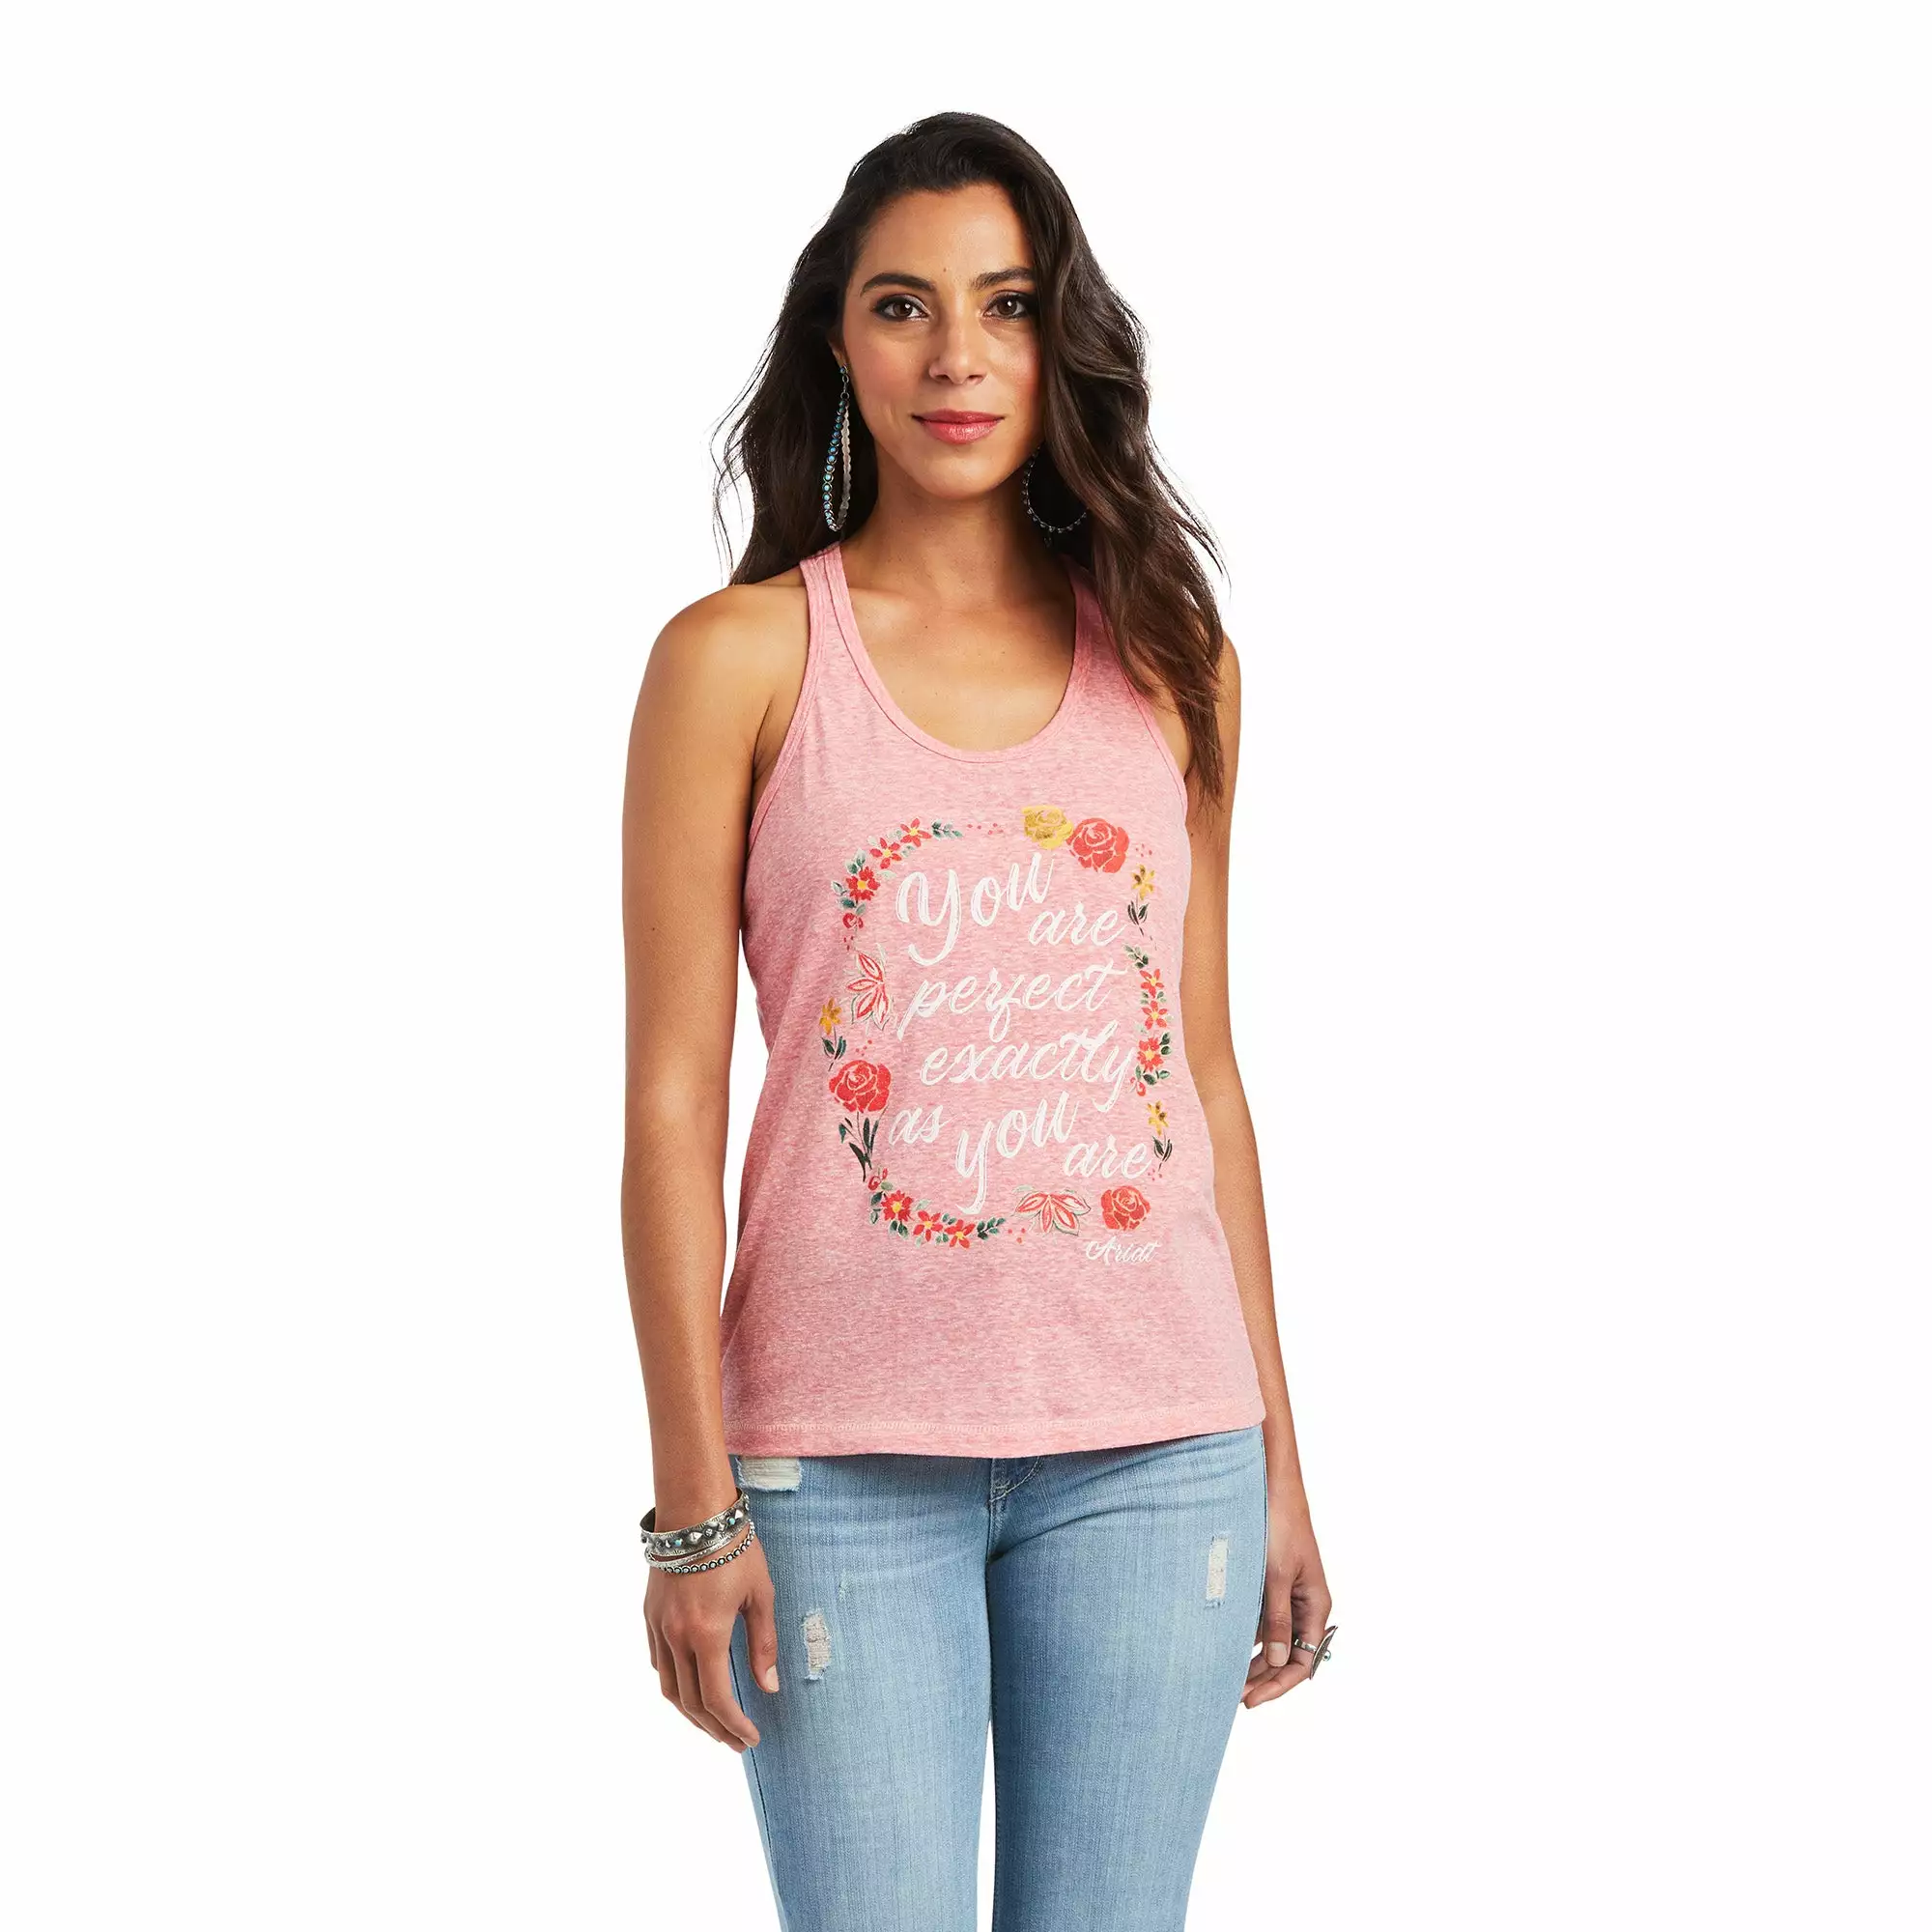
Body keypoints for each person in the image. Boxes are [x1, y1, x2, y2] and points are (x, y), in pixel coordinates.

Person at [620, 111, 1333, 1931]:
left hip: (1161, 1450)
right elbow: (673, 1105)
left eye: (1006, 305)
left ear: (1059, 336)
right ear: (839, 343)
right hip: (834, 1466)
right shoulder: (738, 661)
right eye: (904, 306)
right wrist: (693, 1504)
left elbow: (1207, 1078)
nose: (957, 355)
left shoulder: (1174, 661)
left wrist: (1280, 1460)